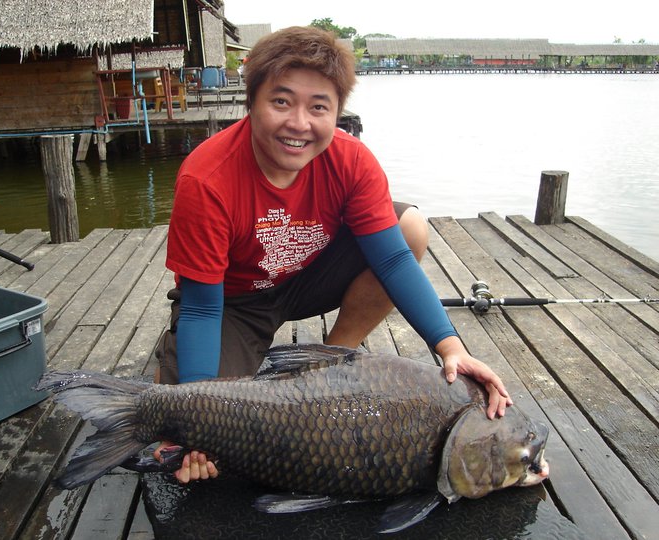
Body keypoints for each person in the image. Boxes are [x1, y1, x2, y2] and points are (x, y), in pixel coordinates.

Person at [153, 26, 512, 483]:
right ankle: (178, 367)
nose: (299, 123)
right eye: (281, 102)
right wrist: (197, 410)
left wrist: (450, 346)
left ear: (338, 112)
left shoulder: (351, 160)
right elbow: (203, 306)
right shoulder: (207, 177)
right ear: (251, 103)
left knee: (410, 229)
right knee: (207, 442)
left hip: (305, 277)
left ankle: (330, 361)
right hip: (231, 302)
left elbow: (394, 261)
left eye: (318, 107)